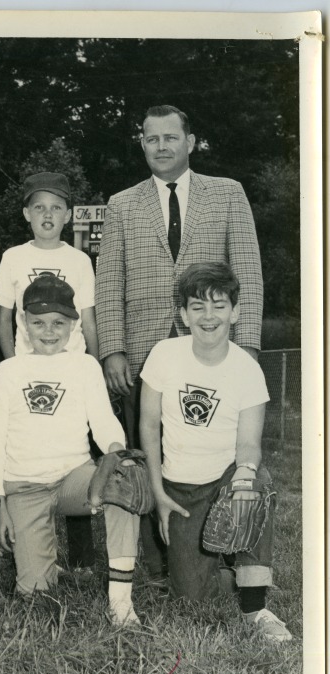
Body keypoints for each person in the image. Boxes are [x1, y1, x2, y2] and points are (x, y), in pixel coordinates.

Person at [96, 104, 264, 584]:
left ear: (190, 142)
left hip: (214, 346)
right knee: (146, 449)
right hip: (145, 346)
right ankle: (157, 558)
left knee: (221, 445)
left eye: (171, 138)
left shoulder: (227, 194)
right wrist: (113, 349)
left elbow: (247, 272)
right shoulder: (122, 203)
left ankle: (231, 541)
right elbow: (109, 283)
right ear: (142, 144)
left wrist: (246, 345)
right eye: (152, 139)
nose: (162, 146)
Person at [139, 262, 290, 641]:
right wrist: (158, 495)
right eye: (198, 306)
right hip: (180, 488)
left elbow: (248, 444)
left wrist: (244, 476)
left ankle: (256, 607)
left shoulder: (247, 368)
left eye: (219, 305)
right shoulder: (163, 354)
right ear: (183, 315)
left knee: (256, 481)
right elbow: (148, 427)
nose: (209, 316)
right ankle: (226, 569)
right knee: (190, 602)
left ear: (235, 312)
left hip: (223, 479)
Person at [0, 277, 141, 626]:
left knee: (123, 481)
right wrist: (0, 503)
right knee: (34, 597)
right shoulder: (8, 371)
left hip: (74, 479)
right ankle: (42, 555)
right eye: (38, 322)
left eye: (58, 323)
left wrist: (117, 451)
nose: (49, 331)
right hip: (24, 487)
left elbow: (103, 421)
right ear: (23, 322)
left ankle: (120, 599)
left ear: (73, 325)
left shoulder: (84, 364)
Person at [0, 171, 99, 574]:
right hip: (28, 368)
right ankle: (38, 542)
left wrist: (99, 365)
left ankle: (83, 557)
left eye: (56, 207)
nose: (48, 215)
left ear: (69, 214)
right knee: (34, 455)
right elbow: (4, 319)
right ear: (26, 213)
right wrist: (11, 364)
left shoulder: (79, 260)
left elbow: (88, 320)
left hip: (71, 370)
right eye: (39, 207)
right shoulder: (14, 257)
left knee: (77, 458)